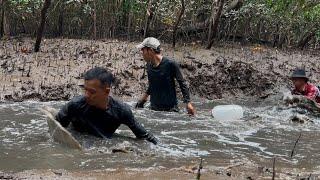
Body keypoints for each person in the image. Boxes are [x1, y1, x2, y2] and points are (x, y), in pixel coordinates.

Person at [55, 67, 158, 145]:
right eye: (85, 89)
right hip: (78, 140)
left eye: (91, 92)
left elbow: (144, 136)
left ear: (106, 91)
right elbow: (56, 127)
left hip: (102, 144)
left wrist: (165, 151)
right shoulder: (75, 105)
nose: (86, 95)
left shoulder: (121, 110)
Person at [135, 37, 195, 115]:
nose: (141, 52)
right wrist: (143, 100)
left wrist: (188, 103)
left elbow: (182, 83)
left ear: (150, 50)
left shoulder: (170, 64)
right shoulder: (148, 65)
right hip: (153, 109)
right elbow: (152, 84)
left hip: (171, 111)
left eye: (143, 50)